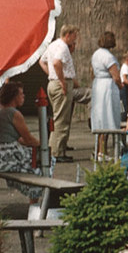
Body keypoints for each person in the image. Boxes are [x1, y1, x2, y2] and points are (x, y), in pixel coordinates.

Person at [0, 82, 45, 219]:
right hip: (7, 156)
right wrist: (44, 145)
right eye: (21, 93)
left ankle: (36, 204)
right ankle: (34, 207)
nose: (24, 96)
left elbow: (18, 138)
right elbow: (28, 139)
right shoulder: (14, 113)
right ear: (14, 97)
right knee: (40, 166)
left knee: (34, 160)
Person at [41, 24, 90, 162]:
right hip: (61, 84)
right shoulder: (62, 47)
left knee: (58, 117)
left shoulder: (53, 45)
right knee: (61, 120)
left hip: (53, 83)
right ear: (68, 35)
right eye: (74, 36)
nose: (75, 39)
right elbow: (57, 63)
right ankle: (57, 153)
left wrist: (52, 76)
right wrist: (61, 80)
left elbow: (42, 61)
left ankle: (56, 148)